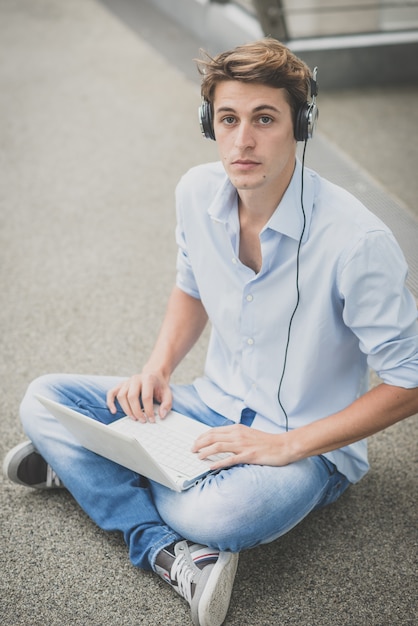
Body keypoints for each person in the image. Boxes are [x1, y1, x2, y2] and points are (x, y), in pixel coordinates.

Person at [3, 38, 418, 626]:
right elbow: (191, 285)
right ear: (210, 124)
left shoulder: (359, 243)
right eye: (228, 119)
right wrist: (158, 368)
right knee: (43, 399)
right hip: (209, 406)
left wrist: (287, 446)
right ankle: (164, 547)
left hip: (304, 447)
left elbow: (411, 379)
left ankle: (93, 470)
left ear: (300, 124)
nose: (243, 140)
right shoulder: (196, 193)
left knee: (221, 518)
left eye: (264, 119)